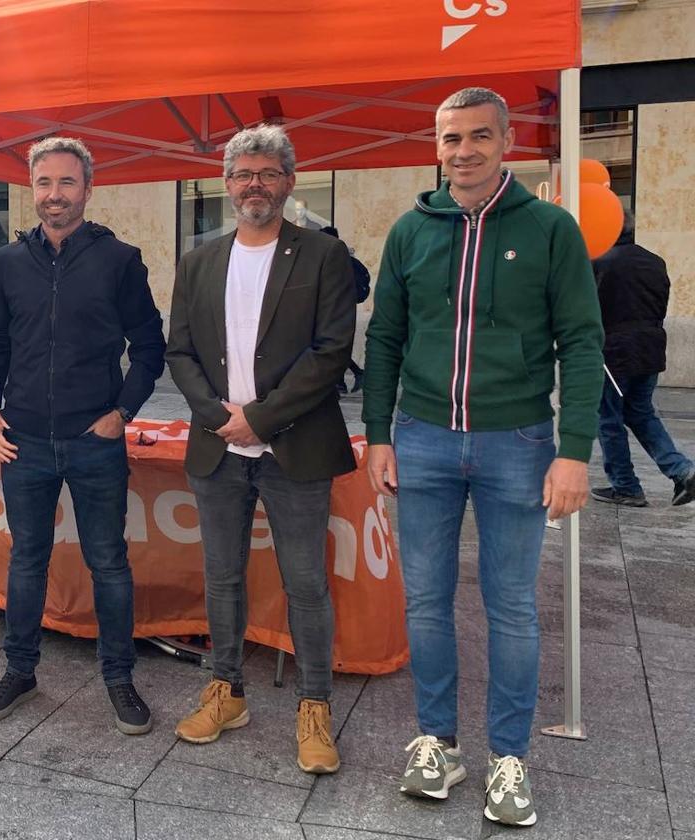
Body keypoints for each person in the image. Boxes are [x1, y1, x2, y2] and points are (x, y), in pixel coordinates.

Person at [363, 87, 604, 827]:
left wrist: (574, 452)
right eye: (449, 138)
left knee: (512, 608)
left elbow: (583, 342)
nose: (462, 151)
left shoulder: (551, 230)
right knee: (427, 602)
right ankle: (437, 741)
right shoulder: (410, 230)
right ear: (435, 145)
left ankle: (509, 757)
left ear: (505, 143)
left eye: (477, 137)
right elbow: (384, 339)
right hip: (425, 438)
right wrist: (378, 433)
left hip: (519, 442)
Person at [166, 124, 356, 773]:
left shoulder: (323, 257)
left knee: (305, 582)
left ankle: (315, 706)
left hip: (294, 447)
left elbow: (331, 353)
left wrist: (262, 420)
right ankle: (227, 690)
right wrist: (219, 417)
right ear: (226, 185)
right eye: (244, 173)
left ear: (288, 182)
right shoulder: (198, 262)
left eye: (267, 173)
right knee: (220, 576)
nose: (255, 184)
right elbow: (179, 352)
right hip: (218, 447)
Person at [0, 137, 165, 735]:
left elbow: (151, 346)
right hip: (24, 440)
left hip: (93, 439)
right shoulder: (7, 262)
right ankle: (20, 670)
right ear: (31, 189)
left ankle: (118, 676)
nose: (54, 196)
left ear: (88, 188)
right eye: (43, 184)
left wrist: (123, 412)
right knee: (26, 560)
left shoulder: (120, 259)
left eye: (66, 183)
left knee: (108, 561)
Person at [591, 210, 695, 507]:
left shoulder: (600, 262)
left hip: (613, 350)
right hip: (650, 347)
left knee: (608, 418)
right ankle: (682, 471)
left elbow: (586, 309)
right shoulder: (654, 261)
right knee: (640, 412)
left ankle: (626, 486)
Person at [322, 225, 370, 393]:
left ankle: (355, 375)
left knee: (332, 346)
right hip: (343, 308)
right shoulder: (347, 257)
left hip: (336, 309)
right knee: (336, 346)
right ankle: (341, 383)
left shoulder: (336, 258)